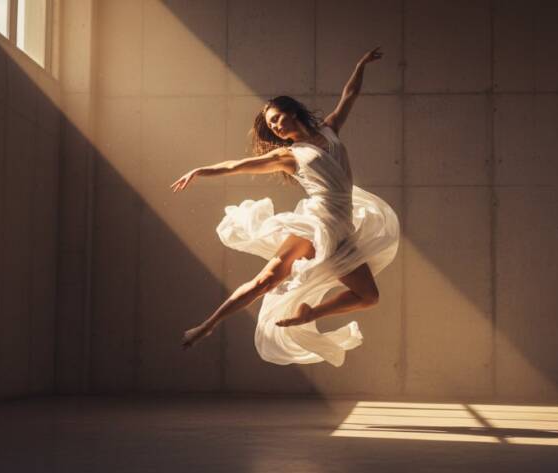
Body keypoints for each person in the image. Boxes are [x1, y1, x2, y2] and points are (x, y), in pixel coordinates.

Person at [170, 46, 400, 367]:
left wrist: (361, 64)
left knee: (369, 297)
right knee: (267, 281)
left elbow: (350, 94)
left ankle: (310, 313)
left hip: (341, 227)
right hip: (315, 223)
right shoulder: (287, 156)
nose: (276, 127)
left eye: (278, 119)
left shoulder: (329, 131)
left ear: (294, 113)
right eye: (272, 125)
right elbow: (237, 166)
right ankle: (206, 326)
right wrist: (200, 171)